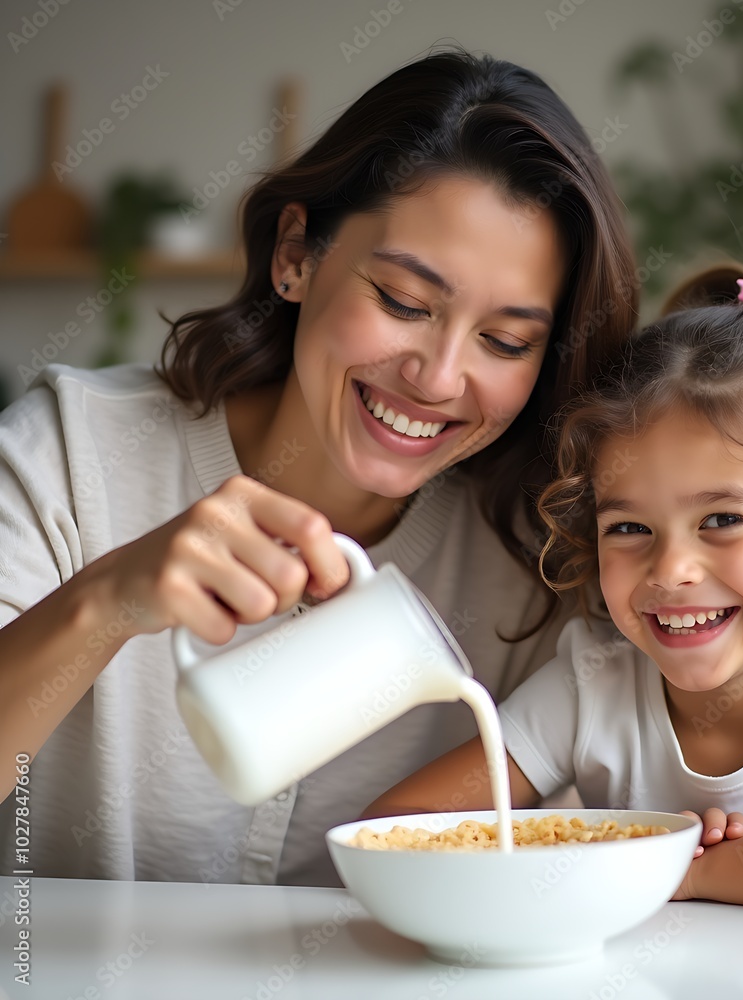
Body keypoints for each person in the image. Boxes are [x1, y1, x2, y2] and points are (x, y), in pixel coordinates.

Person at [0, 50, 640, 884]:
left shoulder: (535, 562)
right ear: (296, 255)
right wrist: (108, 601)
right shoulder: (69, 454)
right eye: (404, 303)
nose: (439, 378)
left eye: (505, 341)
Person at [365, 250, 743, 918]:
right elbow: (396, 831)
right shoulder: (594, 685)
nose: (671, 570)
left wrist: (697, 872)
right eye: (629, 528)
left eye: (723, 519)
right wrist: (609, 860)